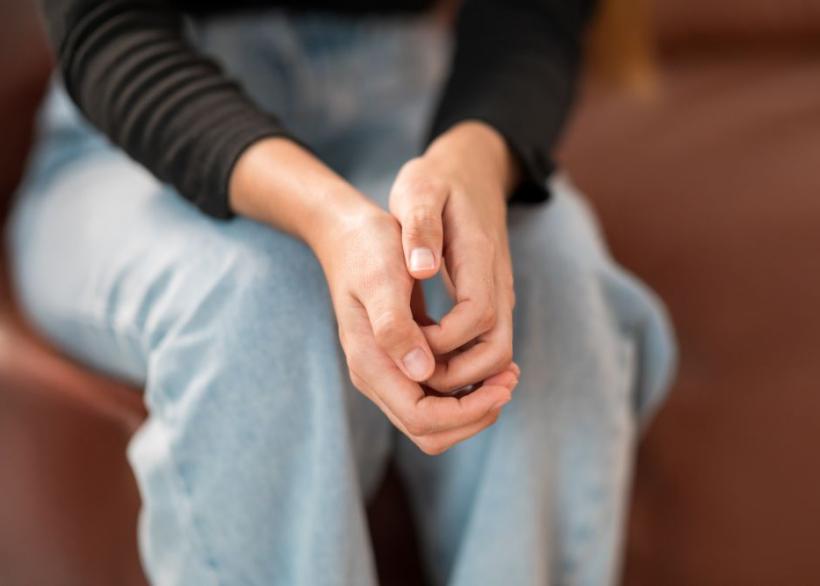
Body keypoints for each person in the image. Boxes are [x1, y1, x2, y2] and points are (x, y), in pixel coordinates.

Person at [9, 0, 674, 584]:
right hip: (139, 133)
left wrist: (473, 158)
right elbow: (109, 31)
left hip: (410, 105)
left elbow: (534, 16)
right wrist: (330, 217)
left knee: (548, 281)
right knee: (257, 304)